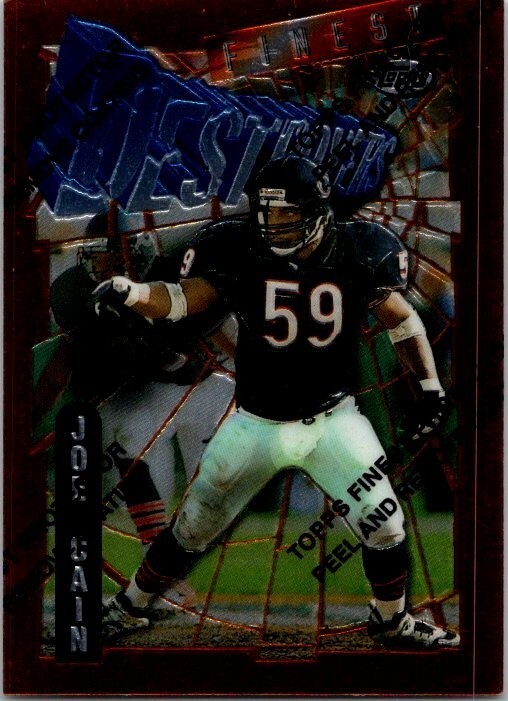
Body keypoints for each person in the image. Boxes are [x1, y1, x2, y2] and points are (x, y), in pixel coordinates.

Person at [97, 154, 459, 649]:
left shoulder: (355, 250)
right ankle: (130, 606)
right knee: (192, 527)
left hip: (332, 419)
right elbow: (180, 300)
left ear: (317, 211)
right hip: (256, 422)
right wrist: (133, 292)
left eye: (288, 212)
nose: (275, 223)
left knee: (386, 525)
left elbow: (402, 320)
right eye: (268, 212)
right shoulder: (241, 248)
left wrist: (431, 386)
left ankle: (391, 620)